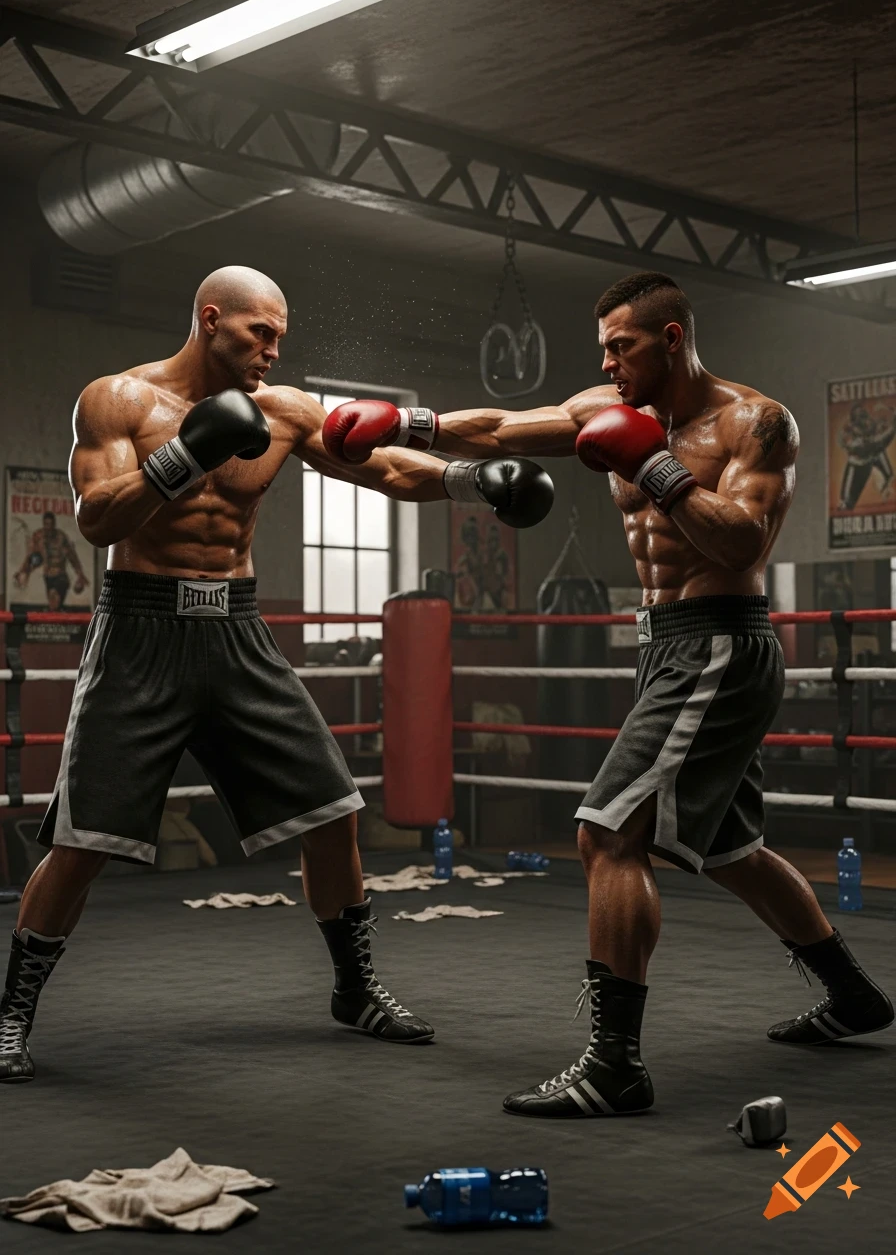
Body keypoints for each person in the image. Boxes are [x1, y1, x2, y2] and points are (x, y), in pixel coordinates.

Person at [322, 270, 894, 1119]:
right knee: (734, 848)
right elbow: (505, 426)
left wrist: (655, 467)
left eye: (621, 347)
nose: (609, 364)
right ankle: (853, 996)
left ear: (671, 339)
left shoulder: (755, 421)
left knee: (604, 835)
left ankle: (614, 1066)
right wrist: (409, 422)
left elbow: (743, 538)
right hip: (666, 647)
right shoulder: (607, 405)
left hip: (719, 642)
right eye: (603, 350)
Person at [0, 266, 554, 1083]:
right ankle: (11, 1016)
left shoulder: (286, 411)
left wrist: (478, 483)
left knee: (332, 813)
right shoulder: (117, 400)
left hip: (237, 630)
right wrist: (185, 456)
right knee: (83, 840)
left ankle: (355, 990)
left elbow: (387, 469)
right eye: (260, 332)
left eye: (281, 337)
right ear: (210, 318)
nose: (272, 349)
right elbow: (94, 518)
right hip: (140, 633)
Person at [14, 510, 90, 611]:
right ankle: (56, 618)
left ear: (54, 525)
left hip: (61, 576)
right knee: (53, 606)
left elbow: (72, 557)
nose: (48, 527)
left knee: (54, 596)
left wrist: (80, 574)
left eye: (50, 524)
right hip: (48, 577)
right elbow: (30, 557)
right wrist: (22, 571)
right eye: (46, 524)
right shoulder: (39, 537)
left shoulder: (61, 537)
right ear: (43, 524)